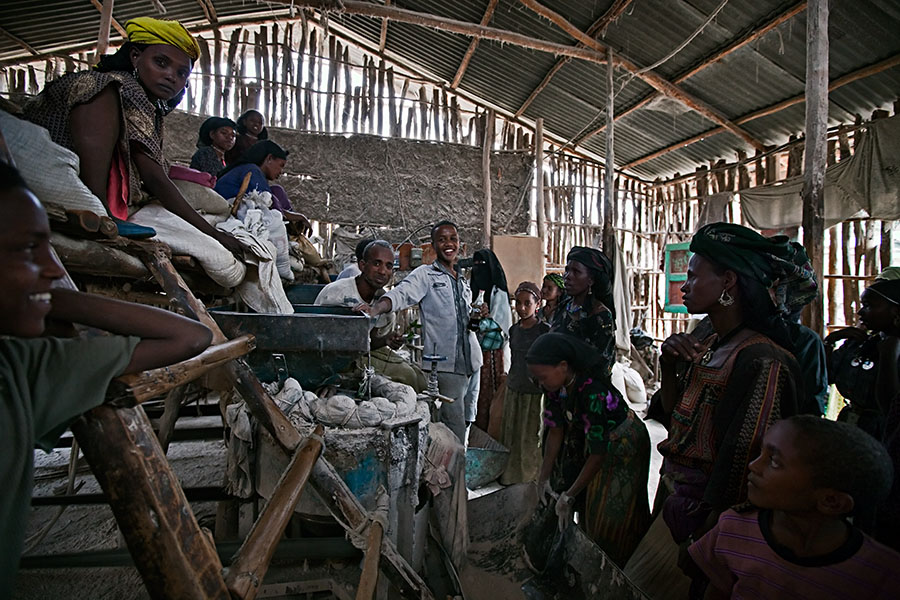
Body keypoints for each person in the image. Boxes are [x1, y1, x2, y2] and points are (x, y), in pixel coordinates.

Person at [0, 163, 213, 595]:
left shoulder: (21, 370)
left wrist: (56, 297)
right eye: (27, 249)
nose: (50, 267)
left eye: (48, 249)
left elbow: (191, 336)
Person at [22, 17, 243, 254]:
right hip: (49, 173)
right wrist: (213, 234)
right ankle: (99, 209)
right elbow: (154, 177)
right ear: (135, 56)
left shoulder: (150, 107)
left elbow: (153, 169)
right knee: (103, 92)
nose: (171, 76)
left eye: (181, 73)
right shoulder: (113, 85)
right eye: (161, 63)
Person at [657, 223, 805, 550]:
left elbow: (740, 466)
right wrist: (667, 366)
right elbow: (671, 415)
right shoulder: (706, 342)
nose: (684, 286)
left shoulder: (762, 360)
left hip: (709, 526)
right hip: (674, 504)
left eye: (693, 276)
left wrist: (709, 537)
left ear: (728, 281)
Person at [688, 416, 900, 599]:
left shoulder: (883, 574)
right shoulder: (733, 527)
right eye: (760, 453)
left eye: (774, 461)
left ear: (831, 501)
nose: (753, 465)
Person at [528, 333, 651, 566]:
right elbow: (555, 431)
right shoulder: (554, 387)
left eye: (542, 378)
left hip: (624, 446)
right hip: (599, 443)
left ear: (563, 367)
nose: (540, 384)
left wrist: (569, 495)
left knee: (610, 514)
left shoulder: (592, 391)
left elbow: (597, 454)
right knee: (589, 507)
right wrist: (543, 477)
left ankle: (614, 568)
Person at [358, 221, 481, 442]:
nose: (448, 244)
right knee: (454, 427)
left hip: (471, 362)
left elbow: (464, 317)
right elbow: (401, 294)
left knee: (464, 421)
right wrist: (376, 308)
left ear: (459, 243)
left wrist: (476, 316)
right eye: (442, 239)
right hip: (445, 365)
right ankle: (452, 475)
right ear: (433, 245)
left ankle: (452, 470)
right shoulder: (426, 275)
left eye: (452, 238)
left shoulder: (462, 280)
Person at [826, 275, 900, 550]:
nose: (860, 312)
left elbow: (890, 406)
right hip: (853, 429)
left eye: (870, 306)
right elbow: (828, 376)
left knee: (876, 501)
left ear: (896, 311)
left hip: (885, 436)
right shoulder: (861, 344)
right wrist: (832, 341)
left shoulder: (891, 348)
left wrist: (890, 350)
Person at [499, 281, 549, 485]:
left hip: (534, 393)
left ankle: (529, 478)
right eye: (518, 303)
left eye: (527, 303)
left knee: (530, 437)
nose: (521, 308)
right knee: (512, 434)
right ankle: (509, 476)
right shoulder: (514, 330)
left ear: (537, 305)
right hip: (514, 387)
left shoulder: (544, 330)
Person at [215, 140, 311, 234]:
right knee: (274, 195)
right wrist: (300, 217)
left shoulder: (251, 170)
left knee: (276, 191)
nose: (281, 171)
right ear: (269, 158)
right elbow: (268, 207)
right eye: (281, 165)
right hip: (226, 213)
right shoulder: (252, 170)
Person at [551, 246, 617, 378]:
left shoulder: (600, 316)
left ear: (591, 280)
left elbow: (600, 364)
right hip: (557, 388)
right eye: (567, 270)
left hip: (585, 391)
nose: (567, 276)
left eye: (576, 272)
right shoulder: (564, 307)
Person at [468, 248, 512, 432]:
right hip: (473, 350)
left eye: (482, 265)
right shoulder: (471, 291)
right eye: (475, 265)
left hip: (493, 355)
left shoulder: (498, 293)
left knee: (490, 396)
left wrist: (482, 322)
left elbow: (502, 325)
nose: (479, 269)